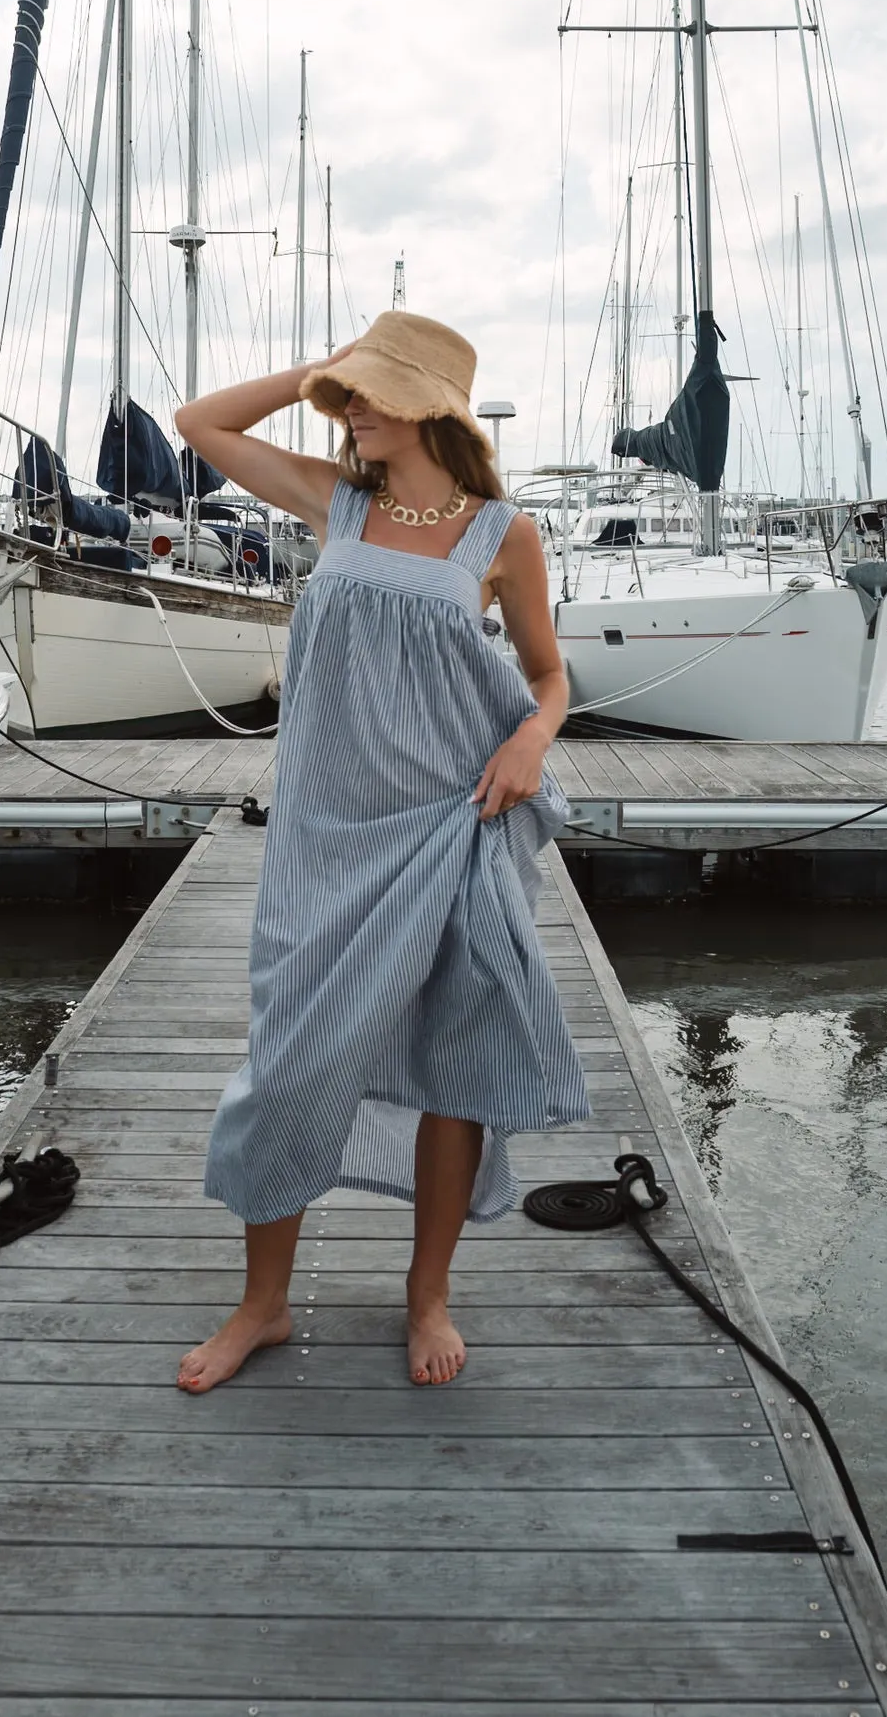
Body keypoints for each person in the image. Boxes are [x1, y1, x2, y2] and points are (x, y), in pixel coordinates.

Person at [173, 310, 589, 1392]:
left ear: (427, 410)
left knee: (453, 1062)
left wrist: (532, 743)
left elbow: (550, 678)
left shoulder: (504, 535)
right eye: (346, 391)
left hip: (455, 819)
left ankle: (428, 1293)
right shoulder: (338, 501)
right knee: (292, 1057)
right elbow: (199, 421)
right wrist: (317, 370)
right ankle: (263, 1305)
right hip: (328, 830)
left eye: (366, 391)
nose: (347, 406)